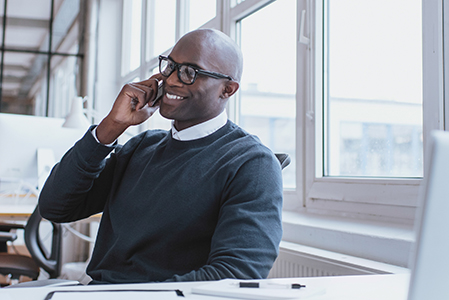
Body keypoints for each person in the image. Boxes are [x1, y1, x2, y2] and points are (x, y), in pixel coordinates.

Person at [38, 28, 283, 284]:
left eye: (190, 72)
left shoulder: (252, 164)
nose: (172, 80)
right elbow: (55, 207)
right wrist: (110, 127)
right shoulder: (142, 147)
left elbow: (235, 275)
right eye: (170, 66)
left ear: (227, 90)